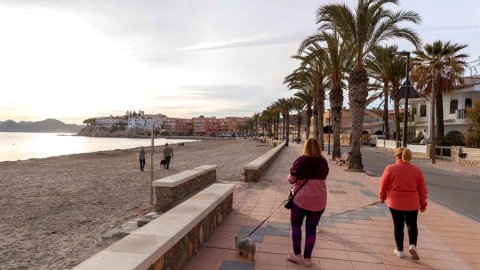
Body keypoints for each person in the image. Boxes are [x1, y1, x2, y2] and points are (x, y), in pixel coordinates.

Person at [287, 138, 329, 267]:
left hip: (301, 199)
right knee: (311, 230)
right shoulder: (323, 162)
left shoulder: (301, 161)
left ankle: (297, 255)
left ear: (305, 147)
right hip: (319, 200)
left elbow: (291, 179)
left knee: (296, 227)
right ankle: (307, 259)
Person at [379, 147, 427, 260]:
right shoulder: (416, 170)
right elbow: (422, 189)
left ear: (397, 156)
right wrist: (423, 203)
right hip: (412, 202)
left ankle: (400, 250)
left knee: (398, 225)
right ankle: (412, 245)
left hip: (395, 202)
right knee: (412, 223)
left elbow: (383, 186)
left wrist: (382, 197)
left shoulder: (390, 168)